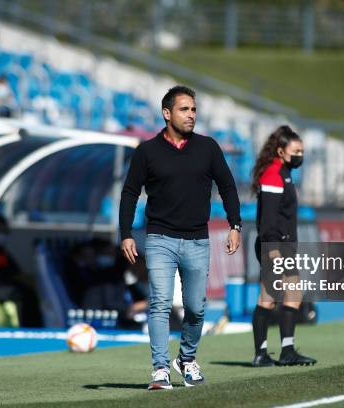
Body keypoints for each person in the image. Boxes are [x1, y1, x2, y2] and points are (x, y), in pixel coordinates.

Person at [119, 85, 242, 390]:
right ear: (167, 113)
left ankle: (186, 359)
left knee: (196, 308)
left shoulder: (208, 148)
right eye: (184, 109)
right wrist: (125, 234)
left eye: (194, 109)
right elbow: (130, 193)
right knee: (159, 303)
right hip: (159, 238)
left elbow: (227, 186)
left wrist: (235, 225)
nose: (191, 115)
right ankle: (160, 369)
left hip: (198, 240)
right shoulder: (146, 151)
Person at [250, 125, 317, 367]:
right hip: (274, 245)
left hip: (285, 245)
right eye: (296, 150)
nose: (300, 155)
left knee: (292, 296)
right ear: (280, 151)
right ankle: (261, 354)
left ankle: (287, 350)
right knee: (268, 298)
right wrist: (273, 250)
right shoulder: (273, 174)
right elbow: (268, 218)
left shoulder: (285, 172)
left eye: (302, 151)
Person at [0, 215, 42, 327]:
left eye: (5, 231)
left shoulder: (2, 252)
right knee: (22, 294)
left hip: (6, 285)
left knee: (28, 292)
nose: (3, 234)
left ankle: (33, 327)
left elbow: (16, 271)